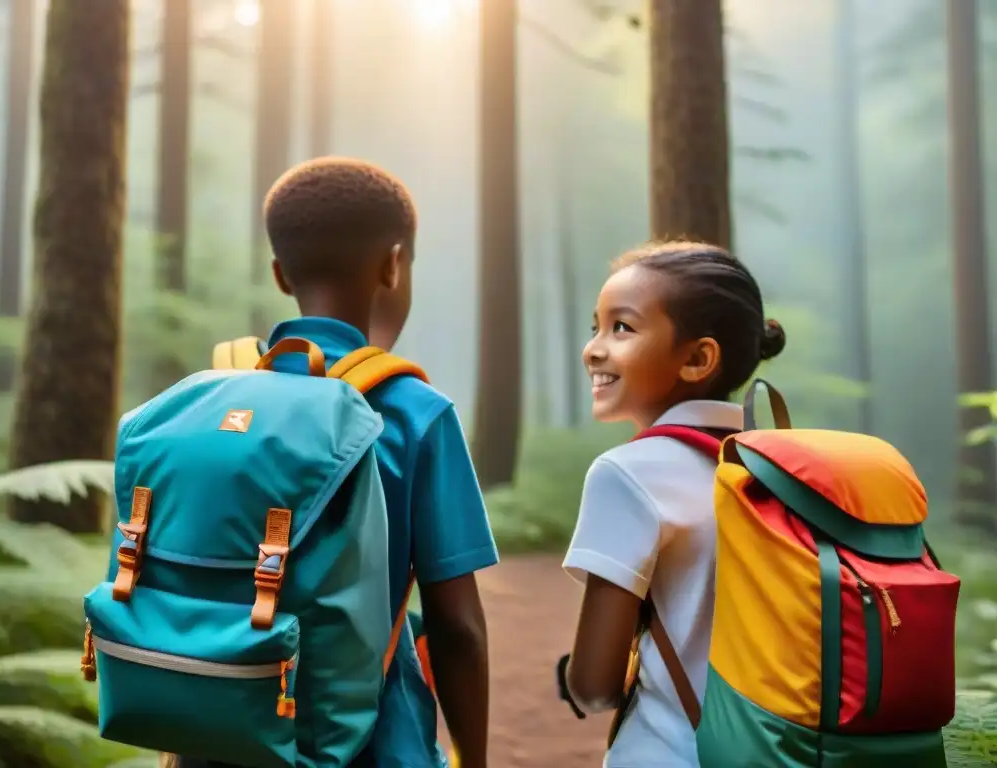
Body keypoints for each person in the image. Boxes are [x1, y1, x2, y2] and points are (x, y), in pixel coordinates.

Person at [182, 157, 497, 768]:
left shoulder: (214, 399)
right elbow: (457, 628)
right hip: (371, 743)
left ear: (280, 274)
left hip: (218, 735)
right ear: (394, 264)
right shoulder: (413, 411)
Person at [556, 241, 786, 767]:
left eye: (623, 328)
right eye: (597, 326)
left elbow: (594, 685)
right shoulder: (775, 468)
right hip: (779, 752)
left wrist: (573, 676)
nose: (594, 348)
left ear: (698, 358)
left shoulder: (627, 474)